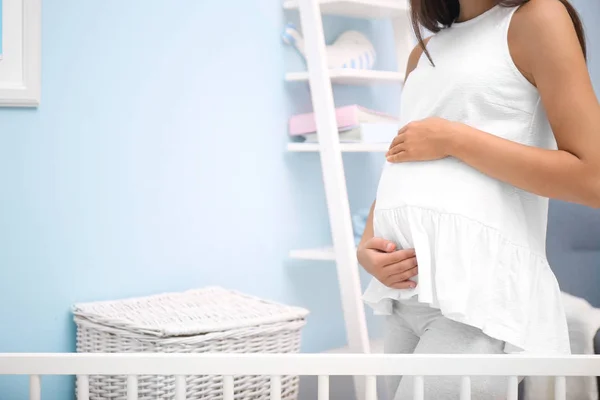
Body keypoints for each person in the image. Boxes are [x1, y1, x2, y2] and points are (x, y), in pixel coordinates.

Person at [356, 0, 600, 398]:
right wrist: (368, 247)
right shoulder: (424, 52)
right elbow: (404, 160)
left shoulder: (537, 18)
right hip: (406, 294)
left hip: (477, 292)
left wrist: (455, 139)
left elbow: (593, 178)